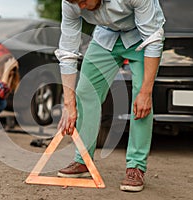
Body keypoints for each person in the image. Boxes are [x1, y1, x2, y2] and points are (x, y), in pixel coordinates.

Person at [55, 0, 165, 192]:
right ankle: (83, 161)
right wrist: (68, 104)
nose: (80, 7)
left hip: (143, 37)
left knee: (141, 97)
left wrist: (146, 92)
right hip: (105, 37)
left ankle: (135, 167)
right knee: (84, 92)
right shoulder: (71, 3)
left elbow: (154, 40)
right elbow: (67, 52)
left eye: (83, 1)